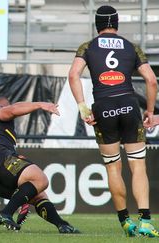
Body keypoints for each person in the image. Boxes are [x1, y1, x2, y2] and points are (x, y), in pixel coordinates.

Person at [68, 5, 158, 237]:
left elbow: (73, 75)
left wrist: (82, 108)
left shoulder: (87, 47)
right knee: (137, 165)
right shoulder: (131, 47)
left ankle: (126, 222)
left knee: (113, 166)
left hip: (103, 107)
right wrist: (150, 111)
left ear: (96, 25)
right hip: (129, 105)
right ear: (116, 23)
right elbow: (151, 80)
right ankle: (146, 221)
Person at [0, 97, 79, 233]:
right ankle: (6, 213)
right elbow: (13, 109)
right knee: (40, 179)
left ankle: (62, 225)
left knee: (37, 194)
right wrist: (40, 104)